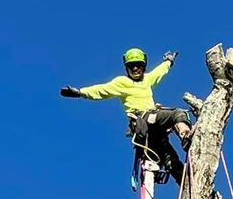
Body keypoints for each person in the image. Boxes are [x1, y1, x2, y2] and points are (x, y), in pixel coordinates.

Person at [60, 48, 193, 183]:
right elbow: (101, 90)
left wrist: (169, 61)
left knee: (171, 160)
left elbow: (159, 72)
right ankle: (185, 135)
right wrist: (80, 92)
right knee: (177, 114)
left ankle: (186, 183)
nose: (135, 68)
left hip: (155, 131)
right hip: (144, 120)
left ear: (144, 66)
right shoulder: (122, 82)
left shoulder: (147, 80)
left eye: (138, 65)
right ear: (126, 67)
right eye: (131, 66)